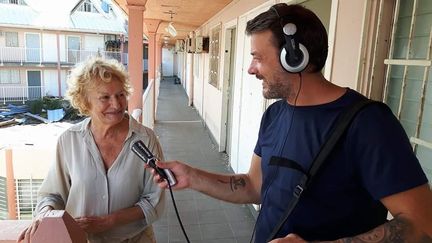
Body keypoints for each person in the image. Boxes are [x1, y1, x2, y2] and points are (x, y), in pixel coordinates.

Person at [152, 3, 432, 242]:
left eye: (258, 58)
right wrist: (192, 176)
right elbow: (254, 186)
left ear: (295, 58)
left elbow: (422, 224)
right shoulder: (274, 115)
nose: (251, 69)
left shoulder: (368, 123)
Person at [18, 57, 165, 243]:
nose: (117, 104)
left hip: (135, 239)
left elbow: (154, 199)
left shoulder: (145, 139)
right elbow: (52, 195)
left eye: (121, 95)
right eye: (105, 97)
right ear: (85, 102)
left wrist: (109, 221)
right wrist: (44, 216)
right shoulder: (69, 141)